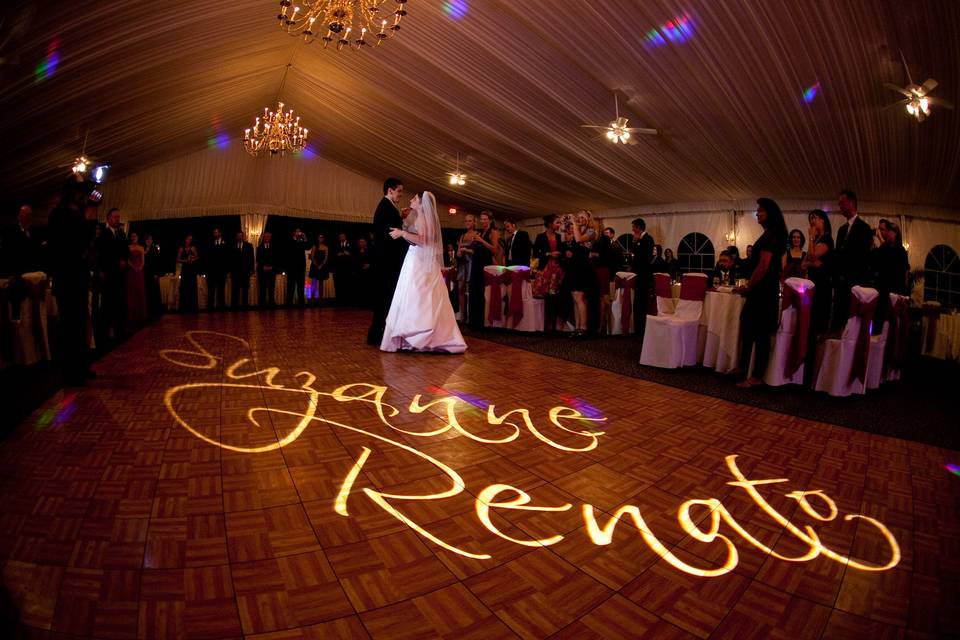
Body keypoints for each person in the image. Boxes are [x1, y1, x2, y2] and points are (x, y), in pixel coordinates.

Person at [380, 192, 466, 353]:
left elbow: (423, 240)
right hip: (414, 258)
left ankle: (422, 337)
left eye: (414, 198)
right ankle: (409, 338)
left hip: (419, 261)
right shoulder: (418, 216)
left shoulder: (424, 218)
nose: (411, 200)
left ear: (421, 202)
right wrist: (403, 230)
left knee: (419, 295)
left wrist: (402, 233)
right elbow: (416, 238)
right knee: (412, 295)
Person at [47, 177, 98, 385]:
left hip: (78, 277)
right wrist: (85, 219)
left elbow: (87, 241)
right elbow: (70, 244)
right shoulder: (59, 215)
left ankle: (81, 366)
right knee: (69, 325)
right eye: (80, 192)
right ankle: (70, 372)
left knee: (80, 324)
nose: (83, 196)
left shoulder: (77, 213)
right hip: (66, 278)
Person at [735, 198, 787, 388]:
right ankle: (742, 367)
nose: (757, 213)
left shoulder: (771, 235)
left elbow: (763, 266)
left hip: (764, 290)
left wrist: (749, 285)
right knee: (747, 325)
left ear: (770, 213)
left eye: (760, 210)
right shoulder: (768, 234)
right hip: (761, 289)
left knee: (761, 333)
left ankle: (756, 377)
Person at [366, 178, 409, 345]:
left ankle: (378, 334)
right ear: (390, 190)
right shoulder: (386, 207)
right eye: (399, 191)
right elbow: (391, 236)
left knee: (385, 298)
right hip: (387, 262)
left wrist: (401, 219)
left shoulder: (388, 207)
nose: (401, 194)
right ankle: (377, 335)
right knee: (384, 298)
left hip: (385, 261)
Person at [832, 188, 873, 330]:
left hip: (854, 283)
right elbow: (838, 254)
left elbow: (863, 257)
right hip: (840, 284)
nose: (840, 206)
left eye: (842, 203)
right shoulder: (841, 230)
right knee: (838, 320)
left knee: (851, 323)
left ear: (852, 202)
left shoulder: (864, 228)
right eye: (839, 204)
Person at [801, 209, 834, 381]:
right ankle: (807, 369)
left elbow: (812, 256)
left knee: (815, 327)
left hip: (822, 289)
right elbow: (806, 261)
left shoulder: (827, 239)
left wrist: (812, 238)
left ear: (823, 220)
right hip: (813, 286)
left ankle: (813, 374)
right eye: (810, 218)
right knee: (809, 325)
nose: (812, 221)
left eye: (815, 218)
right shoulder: (817, 240)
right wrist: (813, 261)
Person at [96, 207, 129, 343]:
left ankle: (120, 331)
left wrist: (124, 260)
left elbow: (126, 250)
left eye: (118, 217)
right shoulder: (103, 235)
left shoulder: (121, 234)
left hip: (120, 275)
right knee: (108, 304)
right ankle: (106, 335)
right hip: (109, 274)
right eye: (115, 217)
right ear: (108, 218)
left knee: (121, 303)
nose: (117, 219)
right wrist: (116, 262)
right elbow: (102, 255)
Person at [871, 218, 910, 324]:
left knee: (890, 319)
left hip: (894, 288)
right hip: (882, 288)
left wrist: (904, 292)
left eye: (890, 231)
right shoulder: (885, 247)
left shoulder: (900, 250)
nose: (887, 233)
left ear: (896, 233)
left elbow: (905, 271)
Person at [564, 211, 597, 337]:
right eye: (579, 217)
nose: (580, 219)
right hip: (574, 266)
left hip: (583, 267)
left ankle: (583, 328)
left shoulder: (591, 232)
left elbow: (578, 240)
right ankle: (577, 327)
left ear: (589, 219)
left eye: (583, 217)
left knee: (580, 297)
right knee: (574, 298)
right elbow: (566, 240)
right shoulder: (577, 230)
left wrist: (574, 223)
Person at [468, 211, 499, 330]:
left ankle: (481, 322)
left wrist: (481, 241)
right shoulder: (481, 232)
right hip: (476, 262)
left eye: (485, 219)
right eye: (481, 219)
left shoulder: (493, 232)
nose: (483, 221)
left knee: (481, 292)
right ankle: (473, 321)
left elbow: (494, 250)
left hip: (484, 264)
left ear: (490, 220)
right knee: (473, 290)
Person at [533, 215, 564, 332]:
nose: (559, 225)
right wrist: (548, 254)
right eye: (557, 223)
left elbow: (562, 251)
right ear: (550, 224)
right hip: (545, 269)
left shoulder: (559, 237)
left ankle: (554, 325)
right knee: (546, 297)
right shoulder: (540, 237)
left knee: (554, 297)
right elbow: (536, 253)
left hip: (556, 269)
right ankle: (545, 325)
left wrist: (559, 253)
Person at [629, 217, 655, 346]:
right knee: (637, 301)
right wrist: (635, 243)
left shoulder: (648, 239)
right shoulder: (639, 240)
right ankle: (637, 327)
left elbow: (644, 258)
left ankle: (642, 328)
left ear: (639, 228)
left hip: (644, 275)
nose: (632, 230)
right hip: (638, 274)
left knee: (641, 301)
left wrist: (637, 243)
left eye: (633, 227)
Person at [455, 214, 476, 322]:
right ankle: (463, 315)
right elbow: (458, 252)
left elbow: (477, 252)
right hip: (462, 264)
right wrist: (458, 253)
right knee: (460, 289)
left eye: (470, 221)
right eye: (466, 221)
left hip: (472, 264)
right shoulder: (462, 236)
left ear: (474, 222)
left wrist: (466, 250)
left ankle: (471, 315)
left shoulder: (477, 234)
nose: (467, 223)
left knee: (471, 290)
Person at [126, 232, 147, 324]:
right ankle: (132, 316)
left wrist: (140, 267)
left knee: (140, 291)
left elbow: (143, 260)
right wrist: (133, 267)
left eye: (135, 236)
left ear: (138, 237)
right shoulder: (128, 247)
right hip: (131, 271)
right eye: (132, 236)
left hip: (139, 271)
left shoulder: (141, 248)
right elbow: (127, 260)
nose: (134, 238)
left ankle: (140, 315)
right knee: (131, 292)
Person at [230, 231, 254, 310]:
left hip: (245, 271)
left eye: (241, 236)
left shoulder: (249, 246)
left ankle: (245, 306)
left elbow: (251, 259)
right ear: (236, 237)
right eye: (238, 236)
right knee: (235, 290)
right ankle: (234, 306)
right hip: (235, 272)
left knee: (245, 289)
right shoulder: (232, 246)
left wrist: (252, 269)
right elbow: (230, 259)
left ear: (243, 237)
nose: (240, 237)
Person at [206, 227, 229, 311]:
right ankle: (210, 307)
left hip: (221, 272)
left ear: (220, 233)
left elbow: (227, 258)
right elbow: (207, 258)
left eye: (216, 232)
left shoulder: (225, 243)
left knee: (221, 290)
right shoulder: (210, 243)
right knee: (211, 290)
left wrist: (226, 270)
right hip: (211, 272)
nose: (215, 234)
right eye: (214, 232)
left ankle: (221, 307)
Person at [286, 228, 309, 306]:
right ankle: (289, 303)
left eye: (299, 231)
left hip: (301, 267)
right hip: (292, 267)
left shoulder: (302, 241)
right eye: (297, 231)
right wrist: (297, 240)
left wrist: (304, 237)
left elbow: (306, 246)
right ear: (294, 233)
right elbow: (291, 249)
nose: (299, 233)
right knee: (291, 285)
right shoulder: (290, 240)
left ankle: (301, 302)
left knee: (301, 285)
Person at [176, 234, 199, 313]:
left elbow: (197, 257)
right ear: (185, 239)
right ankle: (184, 307)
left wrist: (193, 259)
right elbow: (178, 259)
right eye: (188, 239)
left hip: (192, 270)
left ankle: (193, 307)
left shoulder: (193, 248)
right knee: (184, 287)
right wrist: (186, 260)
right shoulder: (181, 248)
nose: (190, 240)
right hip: (185, 270)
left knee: (192, 287)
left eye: (191, 239)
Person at [143, 234, 164, 318]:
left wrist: (156, 273)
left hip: (153, 273)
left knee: (154, 292)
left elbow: (157, 262)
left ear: (152, 241)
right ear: (145, 241)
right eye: (147, 239)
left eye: (150, 239)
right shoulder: (143, 248)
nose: (149, 241)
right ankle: (148, 311)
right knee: (147, 292)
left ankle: (156, 312)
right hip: (145, 273)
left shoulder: (155, 249)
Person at [256, 231, 277, 308]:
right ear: (263, 237)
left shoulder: (274, 247)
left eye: (268, 236)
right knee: (262, 288)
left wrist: (272, 267)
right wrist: (263, 267)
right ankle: (262, 304)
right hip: (262, 271)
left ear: (270, 237)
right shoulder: (259, 248)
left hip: (272, 270)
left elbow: (276, 259)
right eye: (266, 236)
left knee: (271, 288)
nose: (267, 238)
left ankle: (272, 303)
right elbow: (258, 259)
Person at [307, 234, 330, 305]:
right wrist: (316, 265)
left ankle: (320, 299)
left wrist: (321, 265)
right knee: (314, 283)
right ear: (318, 238)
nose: (321, 238)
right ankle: (312, 299)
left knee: (321, 283)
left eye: (322, 237)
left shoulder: (326, 247)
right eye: (320, 237)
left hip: (322, 266)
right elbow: (312, 257)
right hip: (315, 266)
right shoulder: (314, 246)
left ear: (323, 239)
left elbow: (326, 258)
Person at [333, 232, 353, 306]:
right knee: (339, 285)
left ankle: (346, 301)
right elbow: (334, 255)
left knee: (346, 285)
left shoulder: (350, 244)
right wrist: (338, 254)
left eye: (342, 236)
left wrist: (348, 254)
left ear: (345, 237)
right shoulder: (337, 245)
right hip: (339, 269)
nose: (341, 238)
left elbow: (353, 255)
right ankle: (339, 301)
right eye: (340, 236)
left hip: (347, 269)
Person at [354, 237, 374, 308]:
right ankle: (360, 303)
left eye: (362, 241)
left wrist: (369, 265)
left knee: (367, 287)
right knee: (360, 287)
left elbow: (373, 259)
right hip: (360, 271)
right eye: (360, 242)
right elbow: (355, 261)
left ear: (365, 242)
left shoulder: (370, 250)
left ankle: (367, 303)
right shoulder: (357, 251)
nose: (361, 243)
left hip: (368, 272)